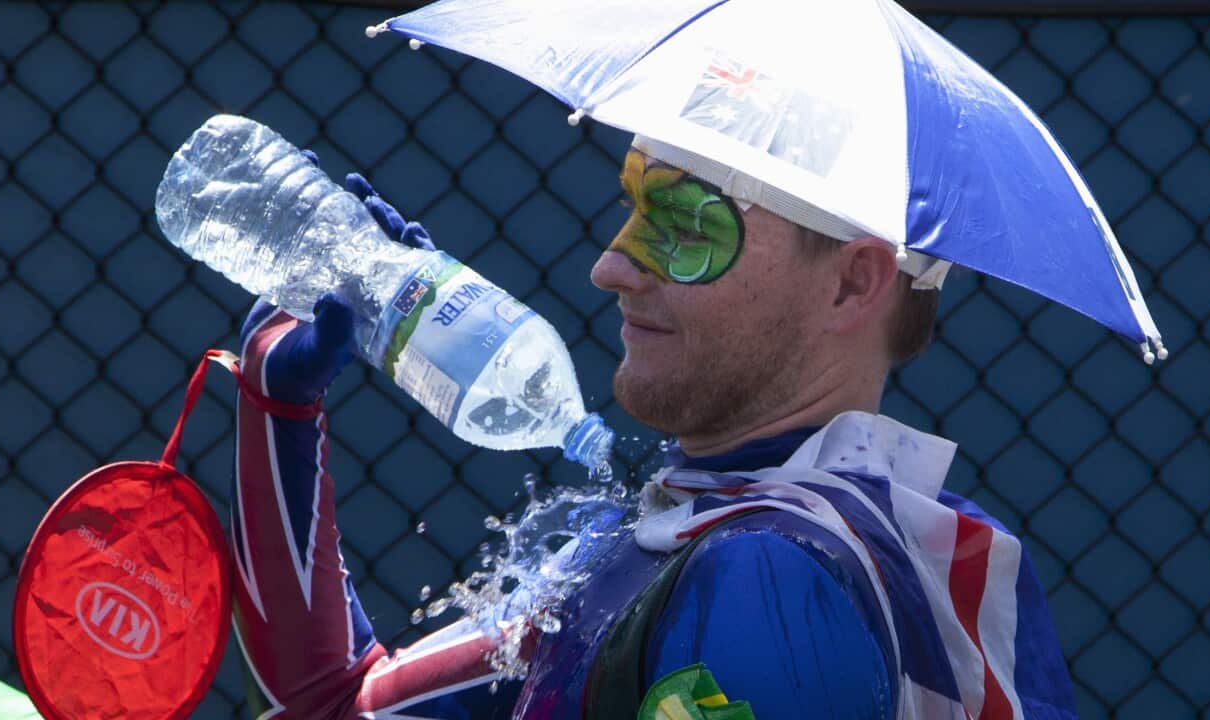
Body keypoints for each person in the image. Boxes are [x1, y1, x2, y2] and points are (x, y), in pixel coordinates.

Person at [229, 140, 1078, 719]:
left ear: (853, 286)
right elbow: (338, 702)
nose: (610, 267)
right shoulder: (697, 533)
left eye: (685, 227)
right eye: (634, 209)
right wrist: (280, 406)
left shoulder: (771, 576)